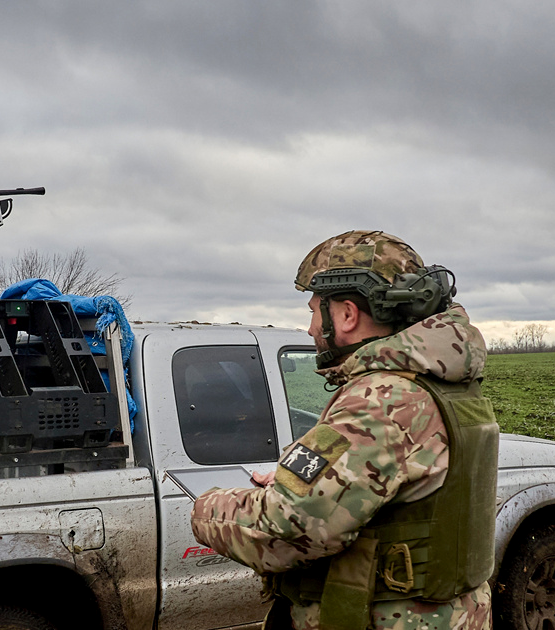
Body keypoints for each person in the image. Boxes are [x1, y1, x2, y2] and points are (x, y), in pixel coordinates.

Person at [191, 230, 499, 630]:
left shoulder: (381, 399)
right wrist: (295, 482)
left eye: (314, 311)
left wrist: (206, 508)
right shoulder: (441, 383)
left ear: (347, 314)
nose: (310, 329)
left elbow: (289, 529)